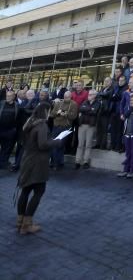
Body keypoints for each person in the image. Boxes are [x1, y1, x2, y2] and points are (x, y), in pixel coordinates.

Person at [16, 102, 62, 234]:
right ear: (45, 111)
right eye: (49, 111)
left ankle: (20, 221)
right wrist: (57, 141)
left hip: (28, 159)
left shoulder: (30, 122)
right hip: (37, 163)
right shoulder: (41, 125)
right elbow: (42, 144)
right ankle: (26, 225)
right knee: (39, 191)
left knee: (25, 191)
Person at [50, 91, 78, 169]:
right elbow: (51, 114)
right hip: (56, 126)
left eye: (68, 97)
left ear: (71, 97)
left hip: (65, 127)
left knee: (60, 145)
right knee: (54, 144)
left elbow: (74, 116)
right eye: (65, 97)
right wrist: (57, 112)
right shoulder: (58, 103)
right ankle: (54, 162)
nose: (66, 99)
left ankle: (58, 163)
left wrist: (66, 114)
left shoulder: (74, 104)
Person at [75, 89, 100, 170]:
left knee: (88, 144)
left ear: (95, 95)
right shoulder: (85, 102)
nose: (89, 95)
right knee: (80, 144)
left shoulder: (97, 103)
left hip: (90, 126)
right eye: (89, 94)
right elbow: (81, 109)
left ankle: (85, 161)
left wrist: (86, 109)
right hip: (82, 125)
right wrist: (90, 109)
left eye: (91, 94)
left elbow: (95, 111)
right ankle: (77, 161)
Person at [0, 90, 19, 169]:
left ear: (13, 97)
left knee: (6, 148)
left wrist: (15, 129)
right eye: (7, 96)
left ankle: (2, 163)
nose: (7, 97)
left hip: (10, 131)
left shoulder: (17, 105)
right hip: (0, 129)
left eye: (9, 96)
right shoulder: (1, 103)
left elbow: (19, 117)